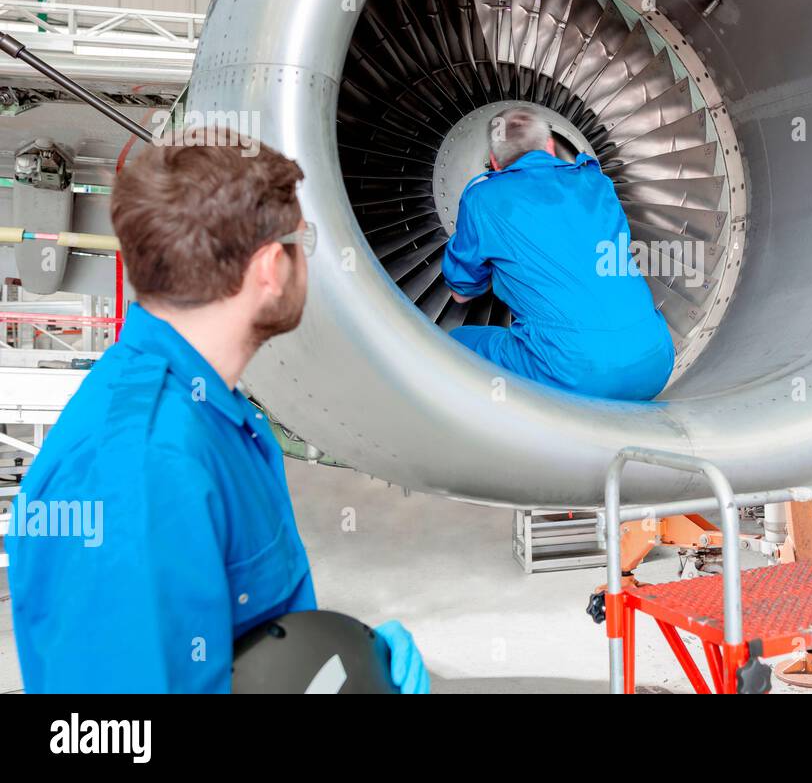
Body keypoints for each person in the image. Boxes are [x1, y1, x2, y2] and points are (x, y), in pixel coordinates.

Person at [5, 133, 428, 693]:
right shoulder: (135, 472)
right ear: (270, 267)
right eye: (303, 240)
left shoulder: (214, 414)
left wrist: (341, 662)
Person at [442, 106, 675, 399]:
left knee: (453, 344)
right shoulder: (597, 182)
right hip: (656, 362)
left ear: (493, 163)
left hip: (571, 371)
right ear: (550, 146)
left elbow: (462, 293)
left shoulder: (482, 198)